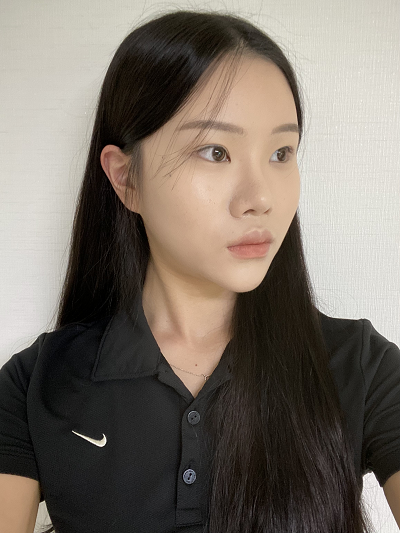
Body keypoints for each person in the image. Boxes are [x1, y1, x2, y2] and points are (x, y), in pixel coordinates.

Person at [0, 9, 399, 533]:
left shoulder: (362, 368)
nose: (261, 198)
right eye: (215, 152)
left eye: (281, 152)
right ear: (126, 179)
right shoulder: (37, 384)